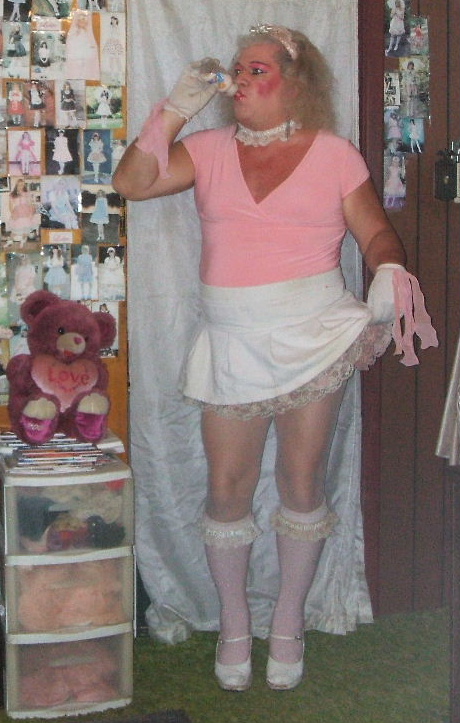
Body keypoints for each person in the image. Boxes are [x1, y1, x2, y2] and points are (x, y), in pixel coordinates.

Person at [113, 24, 438, 692]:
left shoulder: (334, 154)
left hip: (312, 335)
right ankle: (235, 626)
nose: (240, 79)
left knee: (301, 480)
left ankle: (287, 622)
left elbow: (377, 232)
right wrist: (175, 108)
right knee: (226, 489)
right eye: (238, 69)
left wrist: (387, 271)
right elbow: (132, 183)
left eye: (257, 70)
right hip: (232, 338)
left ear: (296, 82)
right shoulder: (206, 149)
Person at [5, 178, 40, 247]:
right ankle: (10, 241)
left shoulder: (27, 194)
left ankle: (22, 241)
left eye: (22, 185)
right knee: (15, 230)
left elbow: (30, 204)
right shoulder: (12, 194)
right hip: (17, 212)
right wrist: (12, 213)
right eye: (19, 185)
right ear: (16, 185)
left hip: (26, 212)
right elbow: (10, 206)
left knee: (26, 229)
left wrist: (31, 213)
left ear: (24, 186)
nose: (21, 186)